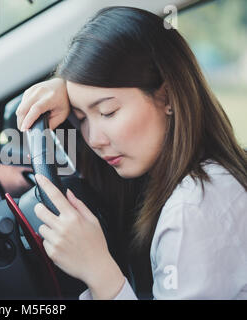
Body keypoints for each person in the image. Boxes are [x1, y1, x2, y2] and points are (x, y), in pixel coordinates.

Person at [16, 6, 247, 300]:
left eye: (108, 112)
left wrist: (100, 273)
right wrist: (73, 86)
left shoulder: (193, 209)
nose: (94, 139)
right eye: (81, 118)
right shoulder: (208, 177)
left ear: (167, 97)